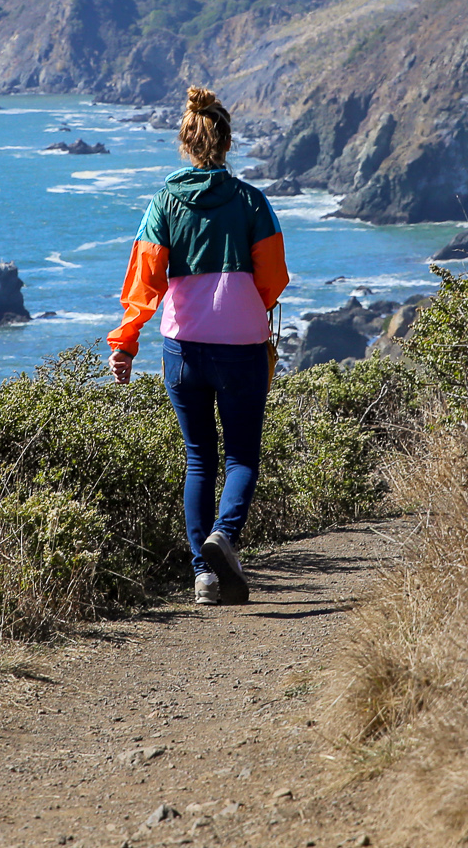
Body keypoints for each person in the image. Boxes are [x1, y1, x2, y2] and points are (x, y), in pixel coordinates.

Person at [107, 86, 289, 605]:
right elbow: (273, 280)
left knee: (197, 460)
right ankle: (223, 538)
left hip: (181, 350)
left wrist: (125, 344)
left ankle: (203, 577)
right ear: (228, 143)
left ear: (185, 143)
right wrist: (241, 299)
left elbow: (144, 282)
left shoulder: (164, 202)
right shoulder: (253, 201)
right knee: (242, 457)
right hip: (241, 347)